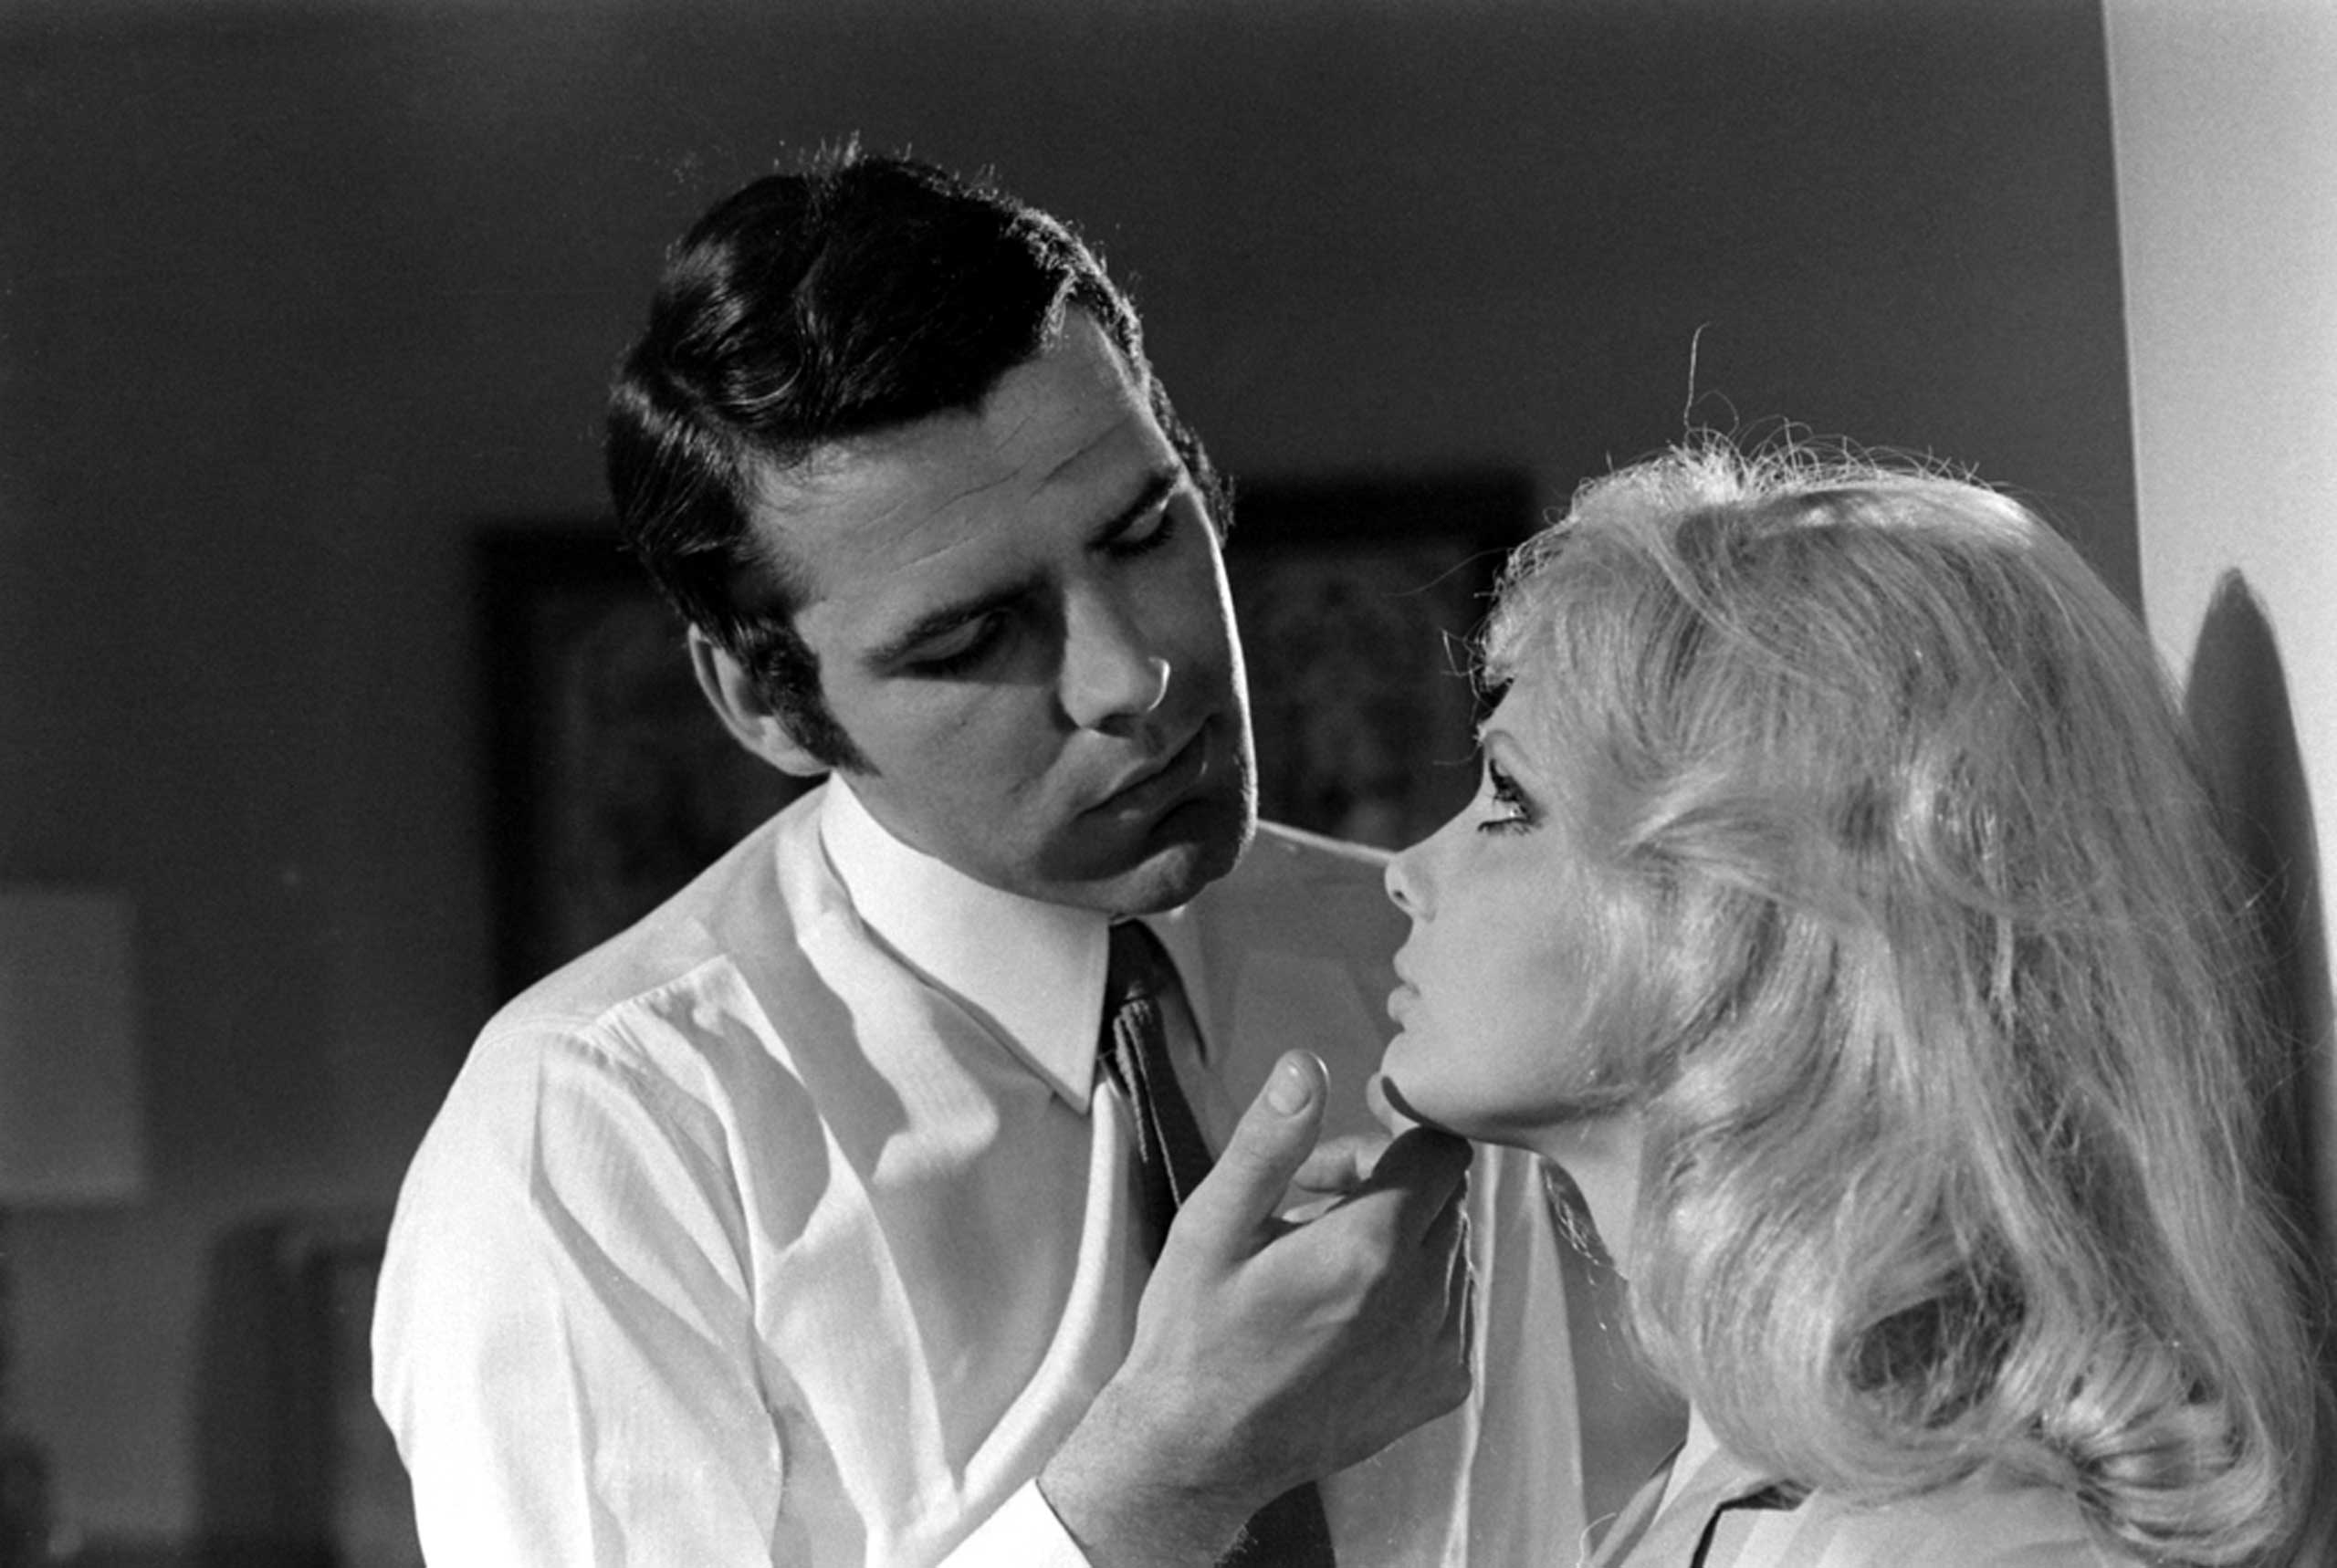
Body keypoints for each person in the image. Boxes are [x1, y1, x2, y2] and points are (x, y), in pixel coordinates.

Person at [372, 150, 1587, 1566]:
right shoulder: (604, 1133)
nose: (1132, 676)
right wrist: (1159, 1486)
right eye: (969, 639)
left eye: (1145, 532)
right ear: (766, 705)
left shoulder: (1422, 960)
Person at [1378, 438, 2326, 1567]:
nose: (1405, 871)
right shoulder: (1738, 1486)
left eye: (1508, 797)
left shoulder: (1984, 1545)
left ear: (1746, 910)